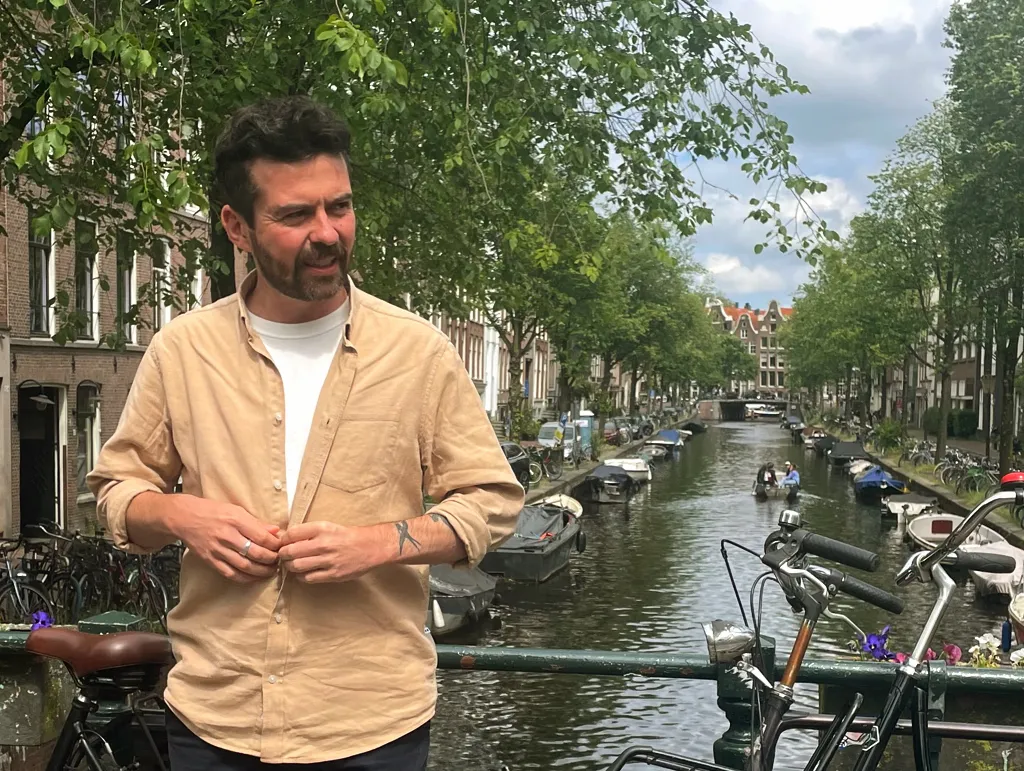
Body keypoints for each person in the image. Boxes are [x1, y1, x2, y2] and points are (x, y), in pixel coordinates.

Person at [87, 95, 524, 770]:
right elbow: (119, 494)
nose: (328, 231)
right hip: (215, 723)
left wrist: (378, 543)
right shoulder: (182, 351)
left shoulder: (419, 352)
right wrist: (178, 514)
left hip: (371, 727)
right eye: (295, 214)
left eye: (339, 206)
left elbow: (491, 503)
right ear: (237, 225)